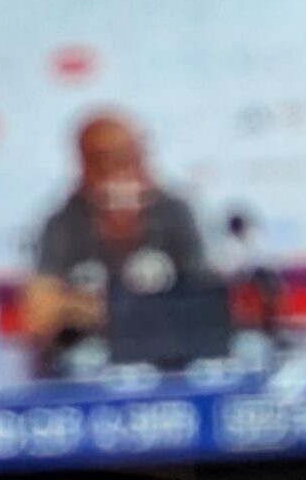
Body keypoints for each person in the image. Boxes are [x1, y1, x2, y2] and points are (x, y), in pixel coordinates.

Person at [19, 109, 210, 351]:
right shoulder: (63, 222)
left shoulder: (174, 212)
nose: (120, 170)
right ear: (84, 164)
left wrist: (86, 308)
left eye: (131, 155)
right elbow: (40, 314)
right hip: (87, 360)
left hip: (168, 355)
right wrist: (129, 311)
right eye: (103, 159)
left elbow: (204, 303)